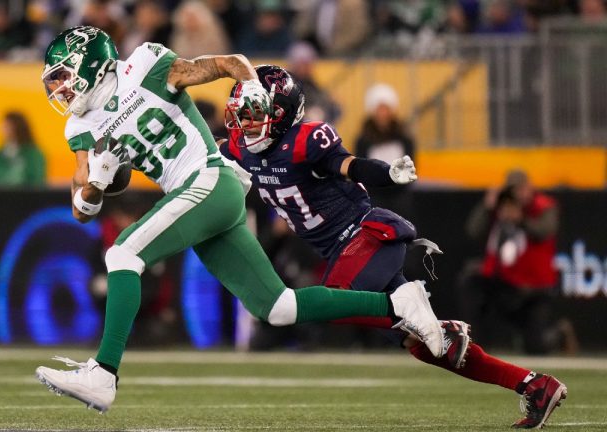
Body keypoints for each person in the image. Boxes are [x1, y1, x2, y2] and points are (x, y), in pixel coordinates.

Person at [34, 26, 444, 413]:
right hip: (196, 196)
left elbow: (230, 63)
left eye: (64, 75)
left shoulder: (145, 65)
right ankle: (400, 303)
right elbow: (81, 209)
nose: (61, 87)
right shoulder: (81, 126)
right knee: (278, 307)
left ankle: (104, 373)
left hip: (210, 177)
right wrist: (96, 184)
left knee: (123, 254)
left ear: (91, 63)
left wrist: (251, 89)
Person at [219, 65, 567, 429]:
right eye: (242, 112)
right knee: (430, 347)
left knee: (332, 302)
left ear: (282, 113)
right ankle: (534, 385)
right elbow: (208, 154)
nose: (246, 122)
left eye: (255, 113)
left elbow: (349, 165)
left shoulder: (306, 139)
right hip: (344, 251)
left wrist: (386, 174)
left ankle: (415, 311)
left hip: (366, 236)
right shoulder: (239, 148)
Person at [462, 170, 576, 355]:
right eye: (515, 191)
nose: (520, 195)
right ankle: (474, 345)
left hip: (533, 289)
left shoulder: (543, 206)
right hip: (504, 284)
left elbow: (545, 230)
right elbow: (474, 231)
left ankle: (559, 334)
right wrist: (487, 207)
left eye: (523, 189)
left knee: (535, 347)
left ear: (530, 188)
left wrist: (520, 219)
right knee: (470, 281)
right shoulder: (500, 206)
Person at [354, 83, 416, 218]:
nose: (383, 113)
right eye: (379, 109)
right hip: (374, 197)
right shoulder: (364, 140)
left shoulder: (404, 138)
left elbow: (411, 167)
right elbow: (360, 170)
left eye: (386, 108)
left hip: (399, 197)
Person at [0, 111, 47, 187]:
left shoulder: (33, 154)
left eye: (7, 125)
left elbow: (37, 180)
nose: (2, 128)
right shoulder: (0, 153)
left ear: (17, 127)